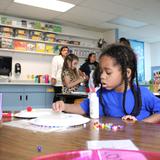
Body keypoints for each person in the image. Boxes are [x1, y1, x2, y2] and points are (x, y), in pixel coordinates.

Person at [52, 44, 160, 123]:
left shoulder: (142, 93)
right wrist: (64, 106)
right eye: (101, 72)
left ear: (127, 73)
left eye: (108, 72)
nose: (102, 76)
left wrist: (142, 124)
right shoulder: (102, 94)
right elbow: (83, 108)